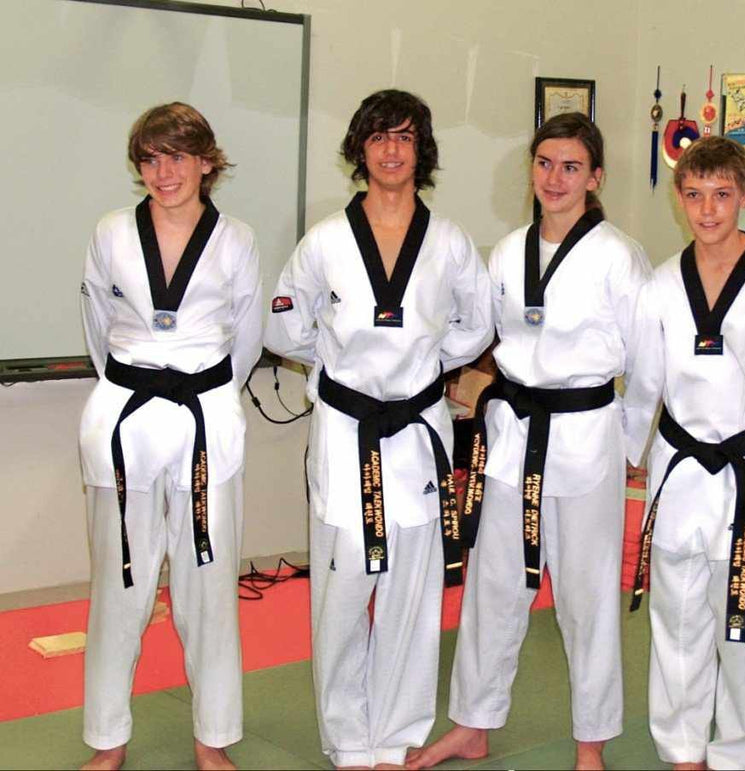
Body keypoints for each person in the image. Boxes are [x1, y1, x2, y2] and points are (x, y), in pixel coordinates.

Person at [408, 112, 651, 771]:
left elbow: (647, 361)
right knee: (493, 587)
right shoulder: (509, 251)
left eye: (571, 166)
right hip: (515, 436)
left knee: (586, 595)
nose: (554, 177)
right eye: (544, 163)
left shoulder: (618, 255)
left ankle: (591, 742)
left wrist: (628, 446)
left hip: (585, 437)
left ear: (595, 177)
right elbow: (485, 337)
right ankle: (473, 723)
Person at [263, 89, 492, 770]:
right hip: (346, 428)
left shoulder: (449, 241)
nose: (392, 150)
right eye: (378, 136)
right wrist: (335, 364)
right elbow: (284, 325)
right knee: (342, 590)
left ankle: (395, 737)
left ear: (422, 150)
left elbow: (476, 325)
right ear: (359, 150)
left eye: (405, 137)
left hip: (417, 427)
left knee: (411, 592)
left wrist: (429, 366)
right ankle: (347, 739)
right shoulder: (324, 241)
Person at [78, 102, 263, 771]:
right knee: (118, 580)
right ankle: (107, 739)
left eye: (177, 156)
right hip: (126, 414)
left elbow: (247, 340)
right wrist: (133, 383)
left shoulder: (236, 240)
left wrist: (203, 392)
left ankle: (212, 737)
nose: (163, 172)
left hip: (204, 416)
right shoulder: (110, 232)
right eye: (150, 158)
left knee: (208, 584)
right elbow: (97, 328)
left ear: (207, 161)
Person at [623, 136, 745, 770]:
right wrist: (631, 448)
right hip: (680, 468)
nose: (707, 210)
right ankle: (682, 749)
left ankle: (736, 752)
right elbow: (646, 382)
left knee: (744, 620)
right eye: (695, 195)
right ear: (680, 199)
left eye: (722, 195)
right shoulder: (660, 284)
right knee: (676, 617)